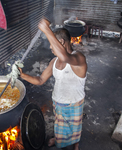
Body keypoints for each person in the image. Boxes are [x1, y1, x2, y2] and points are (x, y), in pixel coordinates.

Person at [19, 19, 87, 150]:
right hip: (58, 102)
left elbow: (65, 57)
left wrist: (46, 30)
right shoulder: (54, 62)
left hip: (74, 103)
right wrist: (22, 75)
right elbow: (40, 80)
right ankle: (59, 140)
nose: (51, 51)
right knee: (60, 127)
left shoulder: (79, 58)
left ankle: (75, 144)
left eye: (52, 47)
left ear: (61, 42)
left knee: (74, 128)